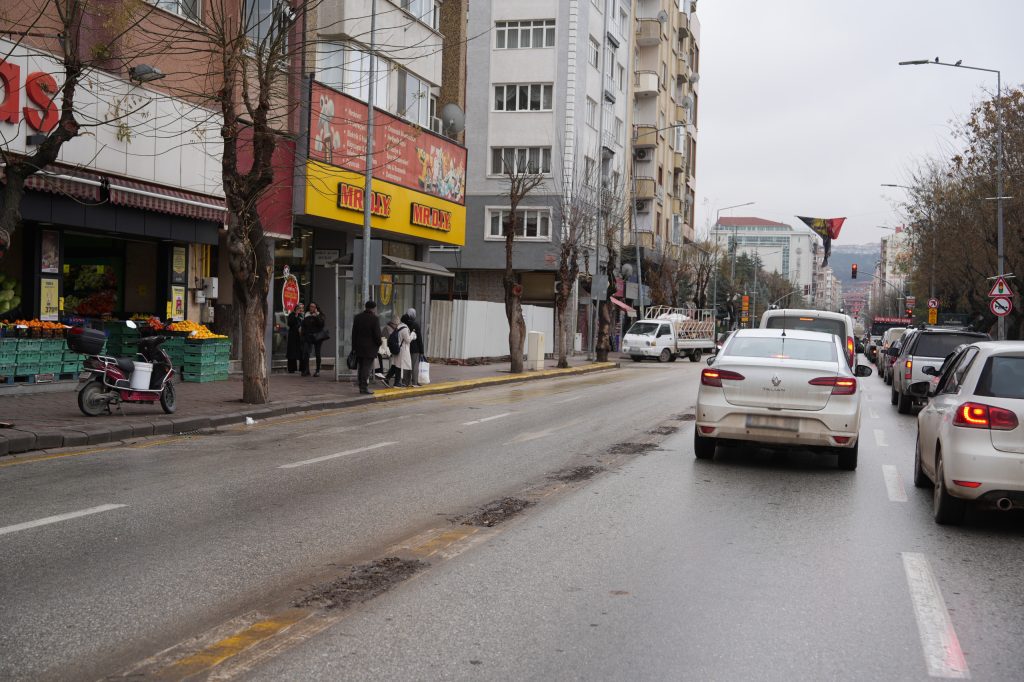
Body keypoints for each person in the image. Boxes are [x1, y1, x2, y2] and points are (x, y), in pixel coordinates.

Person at [351, 300, 381, 394]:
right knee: (366, 368)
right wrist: (379, 343)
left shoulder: (358, 317)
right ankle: (364, 387)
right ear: (373, 308)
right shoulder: (374, 319)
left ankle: (361, 386)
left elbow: (354, 333)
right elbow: (377, 335)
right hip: (370, 348)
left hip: (359, 347)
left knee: (361, 367)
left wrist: (354, 347)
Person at [300, 302, 326, 377]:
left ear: (316, 308)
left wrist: (316, 316)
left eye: (313, 307)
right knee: (306, 352)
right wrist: (303, 335)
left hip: (317, 336)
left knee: (317, 353)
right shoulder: (306, 314)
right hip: (308, 336)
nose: (312, 308)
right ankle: (306, 370)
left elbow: (321, 324)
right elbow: (303, 326)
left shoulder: (320, 315)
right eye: (311, 306)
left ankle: (317, 370)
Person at [401, 307, 425, 387]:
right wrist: (422, 351)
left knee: (407, 365)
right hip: (415, 349)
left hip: (406, 348)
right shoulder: (415, 324)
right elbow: (419, 339)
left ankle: (405, 382)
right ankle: (414, 382)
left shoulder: (404, 324)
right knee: (414, 366)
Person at [392, 315, 416, 387]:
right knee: (400, 365)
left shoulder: (399, 326)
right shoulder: (405, 328)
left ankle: (395, 381)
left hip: (398, 348)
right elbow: (408, 340)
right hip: (403, 349)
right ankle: (397, 382)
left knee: (397, 365)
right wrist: (412, 334)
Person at [381, 316, 402, 387]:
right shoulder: (388, 329)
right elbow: (390, 339)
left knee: (395, 364)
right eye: (396, 325)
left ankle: (388, 378)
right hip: (389, 349)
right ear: (393, 324)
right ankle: (395, 381)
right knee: (397, 364)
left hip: (392, 348)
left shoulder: (392, 328)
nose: (397, 326)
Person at [286, 303, 304, 373]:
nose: (299, 310)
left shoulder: (301, 316)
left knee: (301, 351)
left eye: (301, 309)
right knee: (292, 352)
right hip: (293, 336)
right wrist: (295, 316)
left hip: (300, 336)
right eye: (298, 309)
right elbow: (290, 323)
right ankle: (292, 368)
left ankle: (302, 368)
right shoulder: (292, 315)